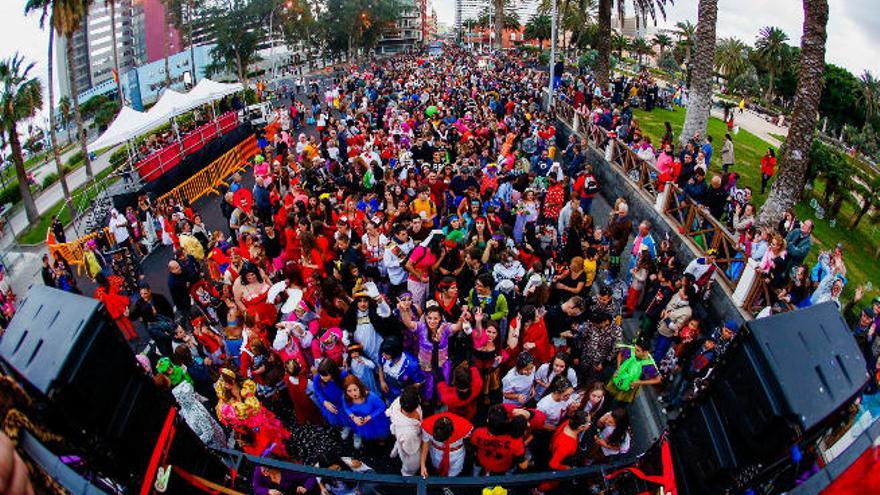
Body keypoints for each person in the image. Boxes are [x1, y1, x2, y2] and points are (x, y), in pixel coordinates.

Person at [470, 404, 527, 475]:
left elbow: (474, 446)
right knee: (511, 471)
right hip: (503, 467)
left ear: (488, 420)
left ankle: (475, 479)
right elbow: (524, 466)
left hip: (482, 461)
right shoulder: (516, 441)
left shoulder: (477, 432)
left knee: (476, 468)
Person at [341, 375, 391, 449]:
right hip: (360, 422)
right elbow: (346, 408)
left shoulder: (371, 397)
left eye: (355, 389)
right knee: (367, 435)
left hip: (375, 421)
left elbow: (382, 406)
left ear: (360, 387)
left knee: (381, 436)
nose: (353, 394)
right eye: (349, 391)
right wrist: (353, 417)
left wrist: (370, 417)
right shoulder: (345, 397)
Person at [607, 339, 661, 403]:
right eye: (635, 348)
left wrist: (640, 382)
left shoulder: (650, 366)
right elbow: (620, 354)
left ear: (645, 352)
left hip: (630, 387)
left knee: (621, 403)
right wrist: (618, 368)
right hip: (618, 377)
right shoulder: (630, 351)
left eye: (638, 350)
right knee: (608, 396)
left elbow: (658, 379)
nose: (634, 351)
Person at [420, 412, 473, 477]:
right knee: (436, 468)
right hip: (436, 452)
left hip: (456, 455)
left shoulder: (464, 426)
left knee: (454, 475)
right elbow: (425, 444)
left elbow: (469, 440)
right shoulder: (427, 425)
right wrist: (422, 465)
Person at [387, 386, 423, 476]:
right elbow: (410, 449)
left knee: (398, 442)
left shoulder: (400, 401)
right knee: (412, 465)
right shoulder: (408, 433)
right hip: (408, 442)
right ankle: (406, 474)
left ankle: (394, 453)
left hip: (399, 432)